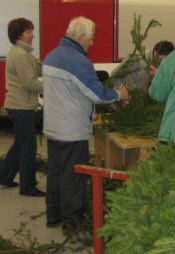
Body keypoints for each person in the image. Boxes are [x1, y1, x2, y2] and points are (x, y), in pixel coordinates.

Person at [42, 16, 129, 229]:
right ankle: (72, 221)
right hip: (71, 130)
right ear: (82, 37)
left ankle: (53, 216)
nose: (92, 43)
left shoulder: (51, 56)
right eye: (91, 39)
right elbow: (97, 94)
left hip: (53, 127)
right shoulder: (79, 62)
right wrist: (120, 94)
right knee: (73, 176)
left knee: (55, 173)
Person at [0, 18, 45, 197]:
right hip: (21, 107)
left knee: (20, 144)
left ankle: (4, 177)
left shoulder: (24, 52)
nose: (32, 35)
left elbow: (38, 70)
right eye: (28, 32)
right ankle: (27, 187)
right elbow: (30, 83)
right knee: (29, 147)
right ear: (19, 34)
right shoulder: (20, 54)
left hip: (17, 105)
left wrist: (51, 68)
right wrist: (53, 84)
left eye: (32, 31)